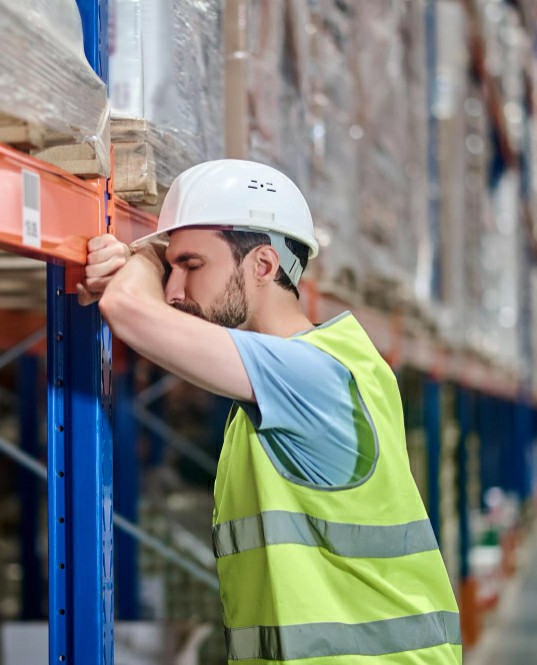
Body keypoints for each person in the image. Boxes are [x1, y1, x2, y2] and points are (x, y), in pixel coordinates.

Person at [78, 159, 462, 664]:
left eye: (191, 266)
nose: (175, 290)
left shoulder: (312, 377)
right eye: (173, 268)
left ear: (262, 266)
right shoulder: (286, 382)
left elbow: (131, 313)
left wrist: (142, 260)